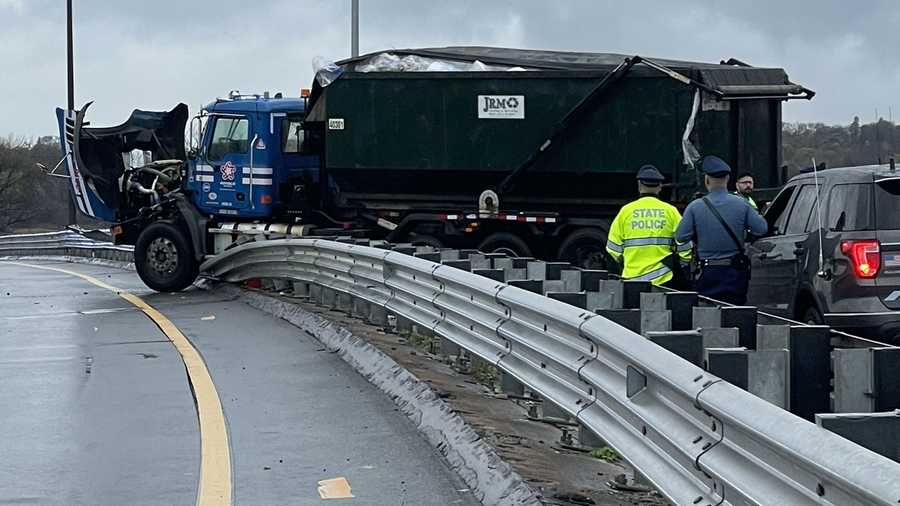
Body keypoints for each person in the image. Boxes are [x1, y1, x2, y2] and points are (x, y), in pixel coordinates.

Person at [676, 156, 767, 305]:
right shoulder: (743, 204)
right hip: (735, 274)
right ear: (728, 179)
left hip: (707, 273)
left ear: (707, 180)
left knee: (706, 316)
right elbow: (762, 228)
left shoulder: (695, 206)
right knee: (735, 315)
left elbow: (680, 237)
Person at [606, 165, 692, 288]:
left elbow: (613, 250)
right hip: (664, 279)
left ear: (639, 185)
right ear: (660, 187)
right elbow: (684, 245)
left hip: (631, 278)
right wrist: (683, 264)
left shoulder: (626, 211)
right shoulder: (670, 211)